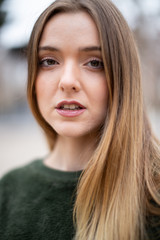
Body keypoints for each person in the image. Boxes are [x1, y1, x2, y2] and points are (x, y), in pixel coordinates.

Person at [0, 0, 160, 239]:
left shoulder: (153, 197)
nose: (67, 81)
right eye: (49, 61)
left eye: (94, 63)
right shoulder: (9, 190)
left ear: (123, 77)